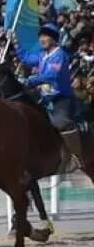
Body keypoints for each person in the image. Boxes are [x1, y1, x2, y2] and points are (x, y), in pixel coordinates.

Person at [20, 23, 86, 164]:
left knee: (60, 122)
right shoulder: (42, 55)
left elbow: (52, 75)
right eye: (41, 36)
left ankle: (76, 156)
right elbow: (27, 58)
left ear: (54, 39)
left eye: (46, 36)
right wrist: (14, 43)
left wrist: (32, 80)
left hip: (61, 99)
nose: (42, 39)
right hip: (44, 99)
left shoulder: (60, 55)